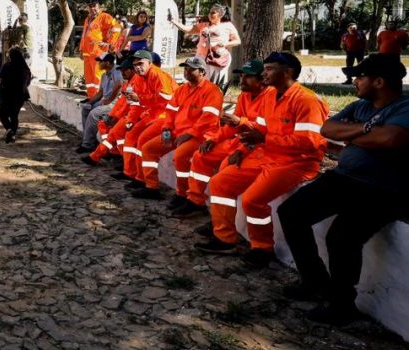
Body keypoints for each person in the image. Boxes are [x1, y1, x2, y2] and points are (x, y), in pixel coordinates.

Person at [279, 54, 409, 325]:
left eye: (359, 77)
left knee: (341, 237)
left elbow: (390, 138)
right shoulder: (360, 107)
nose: (354, 81)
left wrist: (353, 136)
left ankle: (342, 305)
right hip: (345, 179)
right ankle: (315, 282)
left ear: (379, 81)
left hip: (386, 189)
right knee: (291, 212)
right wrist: (365, 130)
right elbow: (327, 128)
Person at [196, 52, 328, 269]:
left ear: (287, 72)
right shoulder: (270, 96)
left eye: (269, 69)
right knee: (220, 182)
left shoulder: (307, 100)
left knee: (252, 200)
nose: (264, 73)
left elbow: (310, 143)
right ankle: (225, 238)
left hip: (297, 163)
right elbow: (260, 128)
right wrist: (245, 146)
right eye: (264, 69)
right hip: (266, 155)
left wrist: (265, 138)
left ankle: (262, 247)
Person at [183, 59, 271, 222]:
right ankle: (195, 201)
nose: (242, 80)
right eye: (242, 75)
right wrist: (214, 139)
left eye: (248, 77)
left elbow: (264, 132)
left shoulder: (270, 98)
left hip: (256, 147)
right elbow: (233, 125)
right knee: (201, 156)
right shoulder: (245, 96)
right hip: (239, 141)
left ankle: (221, 222)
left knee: (225, 170)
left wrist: (240, 124)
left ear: (262, 80)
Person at [133, 56, 223, 202]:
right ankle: (151, 187)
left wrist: (189, 134)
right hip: (178, 133)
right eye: (185, 68)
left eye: (191, 69)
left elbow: (208, 119)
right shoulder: (182, 90)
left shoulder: (212, 91)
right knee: (149, 148)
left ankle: (182, 195)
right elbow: (170, 112)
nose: (186, 72)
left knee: (180, 156)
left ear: (202, 72)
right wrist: (166, 129)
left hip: (200, 136)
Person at [113, 49, 177, 186]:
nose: (137, 67)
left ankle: (147, 182)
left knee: (142, 139)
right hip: (151, 114)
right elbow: (136, 103)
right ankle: (132, 173)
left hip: (165, 116)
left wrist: (140, 98)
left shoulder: (157, 74)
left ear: (149, 62)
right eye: (135, 64)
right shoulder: (139, 78)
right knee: (131, 135)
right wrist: (131, 120)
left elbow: (167, 99)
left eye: (140, 63)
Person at [171, 4, 241, 87]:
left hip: (217, 58)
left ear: (220, 14)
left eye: (213, 13)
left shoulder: (228, 25)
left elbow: (237, 41)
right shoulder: (204, 25)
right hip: (200, 57)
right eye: (209, 13)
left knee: (216, 83)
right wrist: (173, 21)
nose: (210, 15)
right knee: (201, 82)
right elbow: (188, 30)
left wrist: (225, 44)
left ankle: (216, 98)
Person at [76, 53, 123, 153]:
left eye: (101, 62)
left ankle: (87, 145)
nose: (99, 64)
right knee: (86, 108)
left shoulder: (117, 70)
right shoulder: (104, 75)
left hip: (115, 103)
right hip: (104, 101)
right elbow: (100, 93)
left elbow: (119, 84)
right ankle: (87, 140)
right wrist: (90, 101)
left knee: (94, 114)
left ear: (108, 63)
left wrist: (110, 99)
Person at [78, 0, 123, 98]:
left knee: (98, 77)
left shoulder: (104, 16)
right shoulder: (87, 19)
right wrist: (81, 49)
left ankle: (99, 97)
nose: (92, 8)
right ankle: (91, 97)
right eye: (90, 6)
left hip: (98, 53)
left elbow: (117, 28)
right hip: (87, 53)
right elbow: (84, 35)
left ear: (99, 7)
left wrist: (109, 43)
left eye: (94, 6)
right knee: (89, 78)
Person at [0, 47, 33, 143]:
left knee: (3, 115)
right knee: (14, 115)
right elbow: (28, 82)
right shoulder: (25, 68)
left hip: (6, 94)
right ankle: (12, 134)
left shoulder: (6, 66)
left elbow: (0, 78)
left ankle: (9, 130)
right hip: (20, 95)